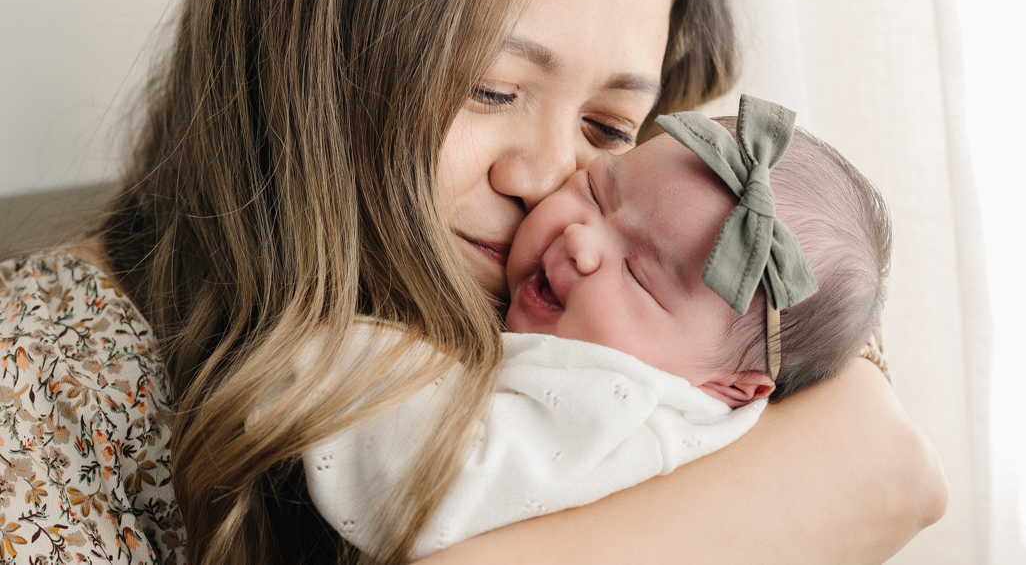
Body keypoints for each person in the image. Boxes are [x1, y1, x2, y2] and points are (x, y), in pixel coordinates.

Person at [0, 0, 945, 564]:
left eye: (610, 126)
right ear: (307, 49)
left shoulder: (701, 291)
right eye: (491, 88)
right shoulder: (40, 383)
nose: (547, 182)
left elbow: (893, 463)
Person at [304, 96, 891, 560]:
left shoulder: (620, 405)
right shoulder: (658, 361)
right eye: (595, 190)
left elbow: (428, 488)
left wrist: (326, 349)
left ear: (731, 388)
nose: (580, 240)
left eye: (639, 274)